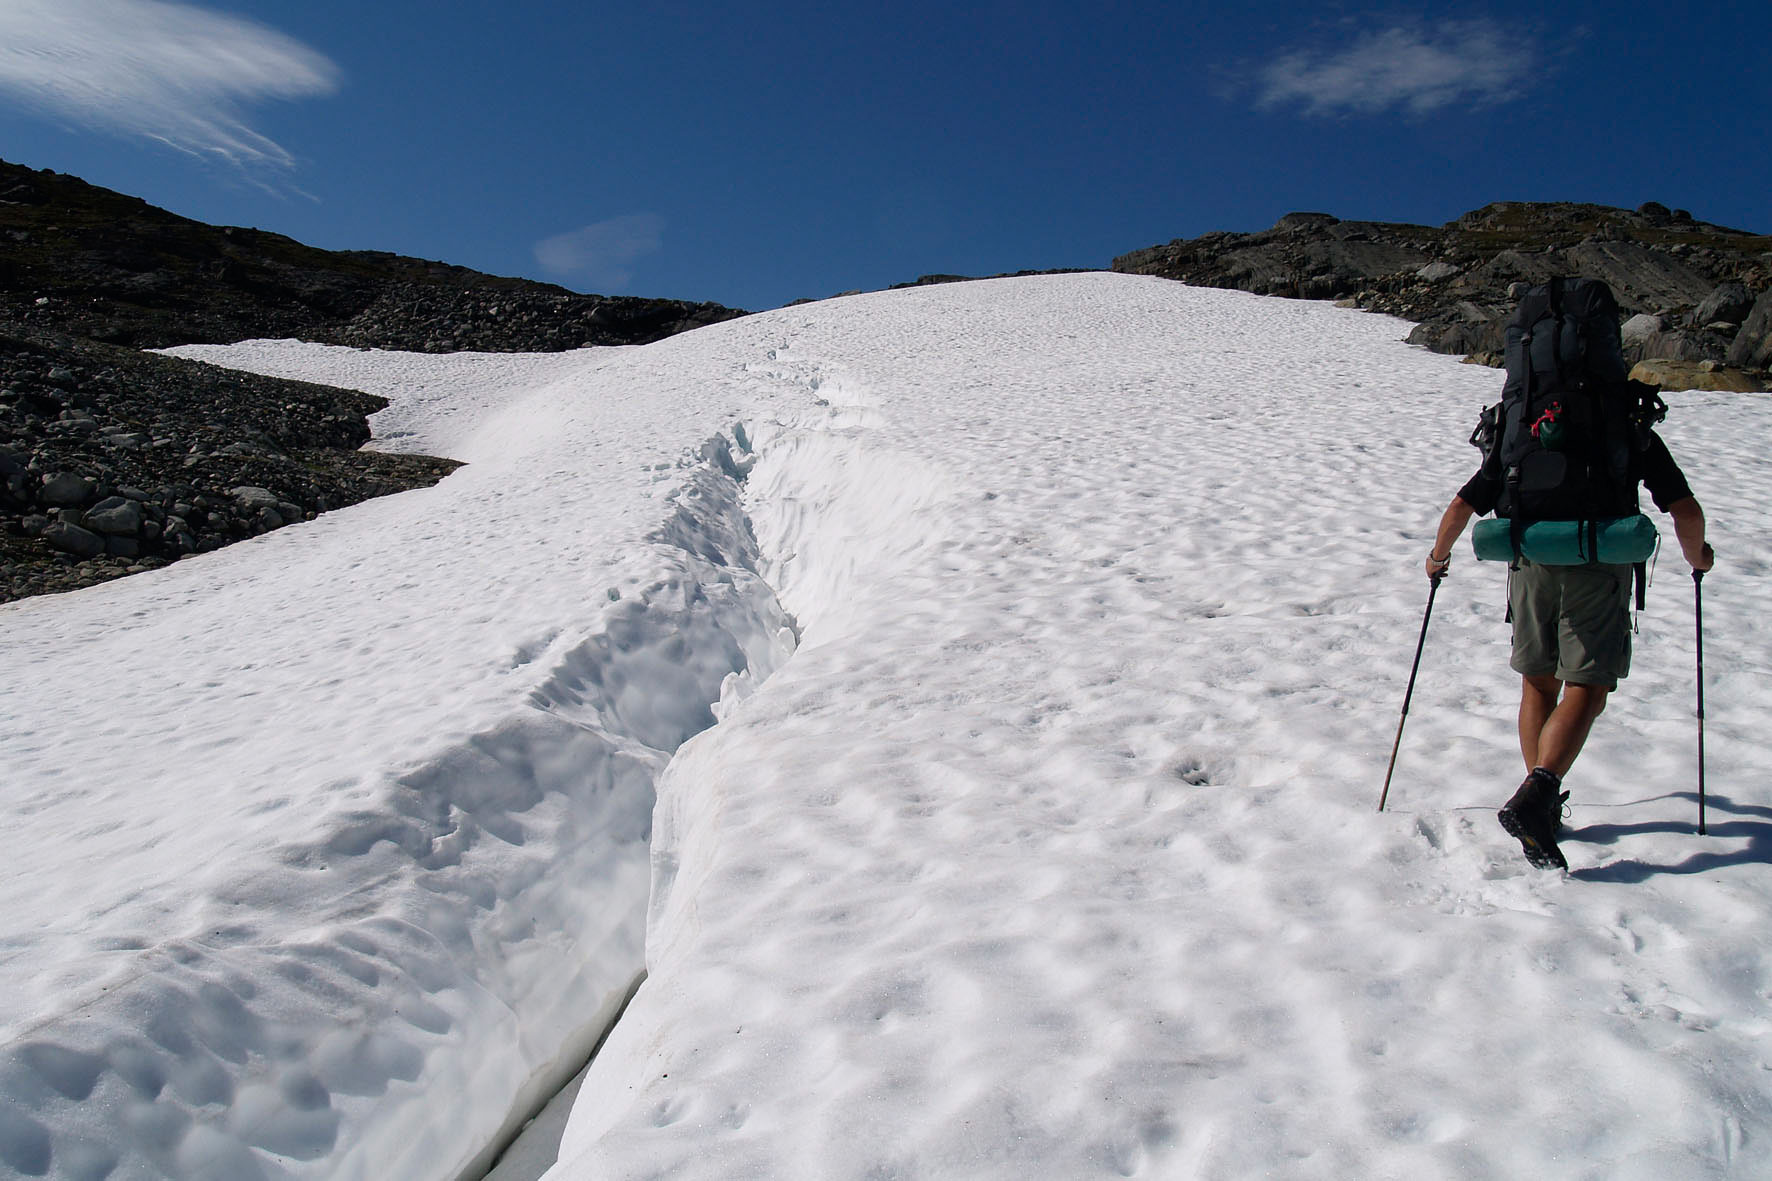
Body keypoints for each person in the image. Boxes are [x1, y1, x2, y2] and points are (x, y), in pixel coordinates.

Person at [1426, 431, 1713, 869]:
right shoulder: (1624, 423)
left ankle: (1540, 804)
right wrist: (1699, 558)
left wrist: (1437, 557)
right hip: (1597, 566)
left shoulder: (1520, 425)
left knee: (1539, 686)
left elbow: (1462, 505)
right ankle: (1537, 798)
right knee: (1588, 686)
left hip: (1530, 565)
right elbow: (1685, 510)